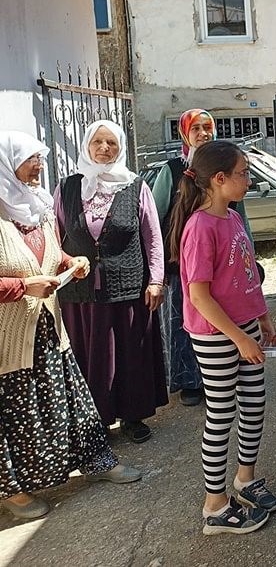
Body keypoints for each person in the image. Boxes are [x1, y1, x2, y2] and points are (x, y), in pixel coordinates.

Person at [0, 131, 141, 520]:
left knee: (71, 400)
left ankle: (97, 461)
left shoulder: (38, 207)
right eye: (31, 159)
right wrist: (23, 287)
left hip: (49, 329)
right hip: (10, 339)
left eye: (40, 159)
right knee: (17, 412)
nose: (39, 166)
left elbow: (51, 251)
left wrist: (70, 261)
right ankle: (14, 491)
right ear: (7, 164)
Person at [167, 139, 276, 535]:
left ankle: (245, 479)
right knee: (221, 414)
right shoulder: (200, 227)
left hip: (243, 327)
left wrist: (262, 318)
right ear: (218, 179)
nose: (249, 180)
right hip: (217, 334)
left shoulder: (231, 217)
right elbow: (199, 296)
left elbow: (247, 275)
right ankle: (214, 505)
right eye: (243, 174)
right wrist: (239, 339)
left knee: (254, 404)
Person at [54, 120, 168, 444]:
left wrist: (156, 280)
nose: (104, 148)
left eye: (111, 143)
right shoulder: (67, 188)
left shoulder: (135, 186)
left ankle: (133, 417)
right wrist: (58, 272)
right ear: (87, 146)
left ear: (120, 148)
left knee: (131, 353)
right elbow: (55, 235)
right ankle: (97, 421)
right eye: (97, 142)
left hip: (127, 286)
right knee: (90, 357)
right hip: (80, 293)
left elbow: (152, 237)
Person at [151, 109, 253, 406]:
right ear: (184, 133)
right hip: (186, 263)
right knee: (189, 322)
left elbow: (240, 219)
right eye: (195, 128)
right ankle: (190, 382)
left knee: (221, 318)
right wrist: (158, 267)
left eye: (207, 127)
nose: (203, 133)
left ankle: (218, 381)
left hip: (224, 262)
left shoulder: (228, 170)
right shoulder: (173, 170)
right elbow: (156, 216)